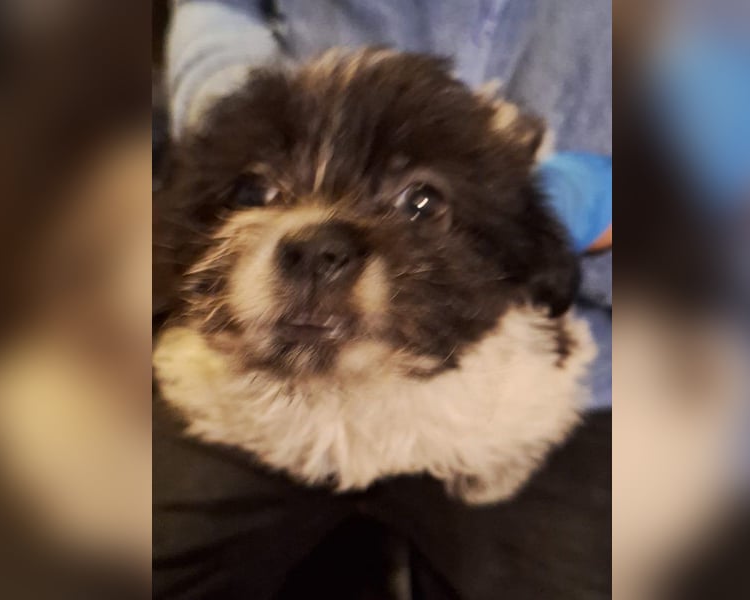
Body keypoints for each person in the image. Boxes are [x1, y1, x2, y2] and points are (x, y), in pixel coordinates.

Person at [154, 2, 613, 598]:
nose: (316, 249)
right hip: (241, 387)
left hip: (570, 370)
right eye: (257, 192)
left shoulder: (523, 394)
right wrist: (222, 104)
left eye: (419, 203)